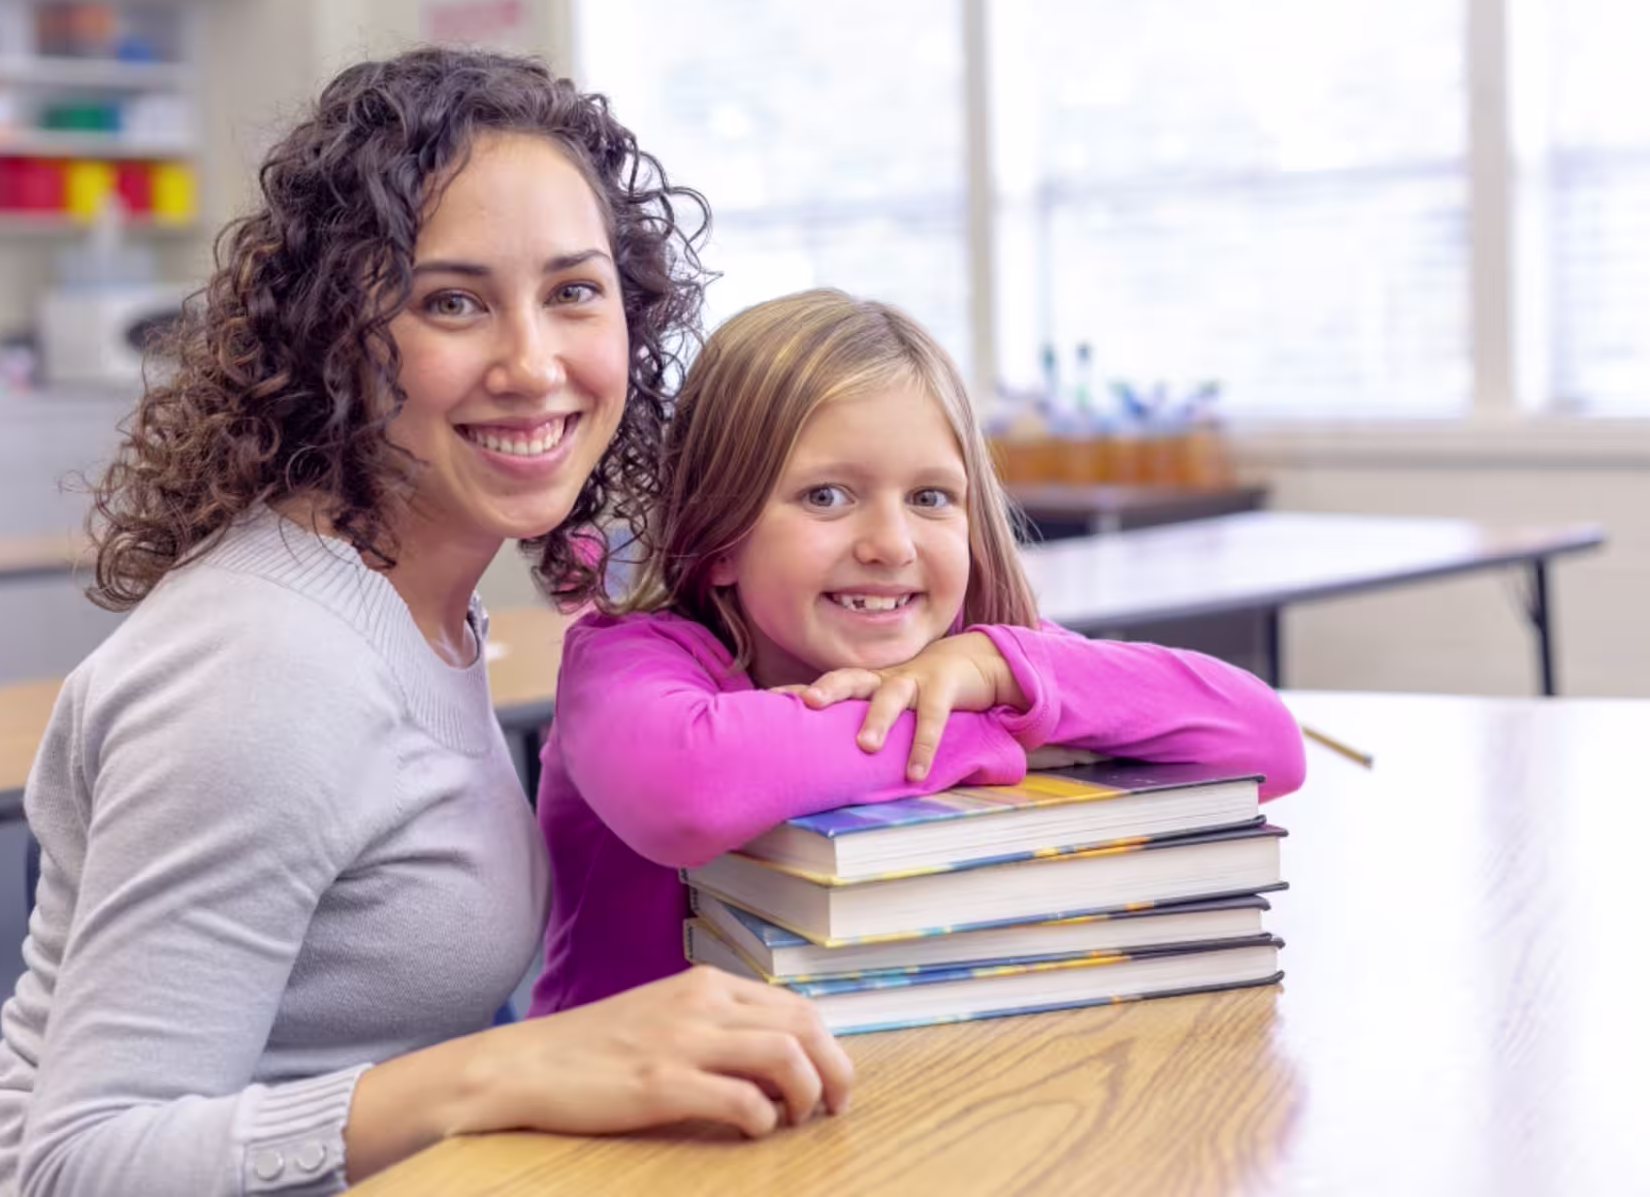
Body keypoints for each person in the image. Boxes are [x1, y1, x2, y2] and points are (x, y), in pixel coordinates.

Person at [0, 49, 851, 1197]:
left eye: (574, 290)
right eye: (453, 302)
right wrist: (507, 1067)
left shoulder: (420, 598)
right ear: (338, 339)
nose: (533, 363)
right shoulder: (265, 668)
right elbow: (79, 1167)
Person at [530, 288, 1307, 1016]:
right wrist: (996, 727)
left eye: (930, 497)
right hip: (610, 1135)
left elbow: (1269, 745)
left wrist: (999, 671)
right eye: (826, 496)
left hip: (881, 1094)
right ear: (719, 532)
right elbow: (688, 790)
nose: (891, 544)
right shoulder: (624, 661)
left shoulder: (980, 664)